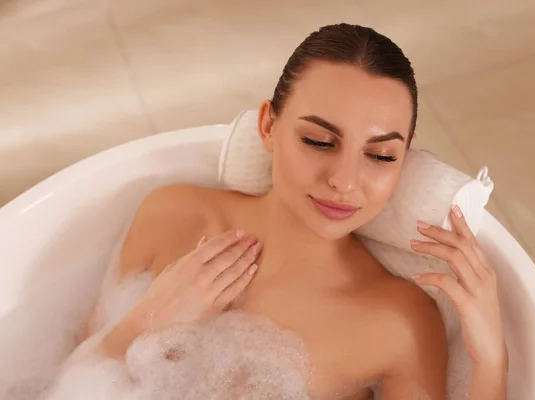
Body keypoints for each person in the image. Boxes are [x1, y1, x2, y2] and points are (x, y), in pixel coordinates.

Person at [81, 23, 508, 399]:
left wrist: (492, 362)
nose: (344, 180)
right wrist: (141, 326)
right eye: (320, 142)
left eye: (380, 155)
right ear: (268, 126)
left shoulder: (398, 322)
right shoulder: (174, 213)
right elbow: (73, 376)